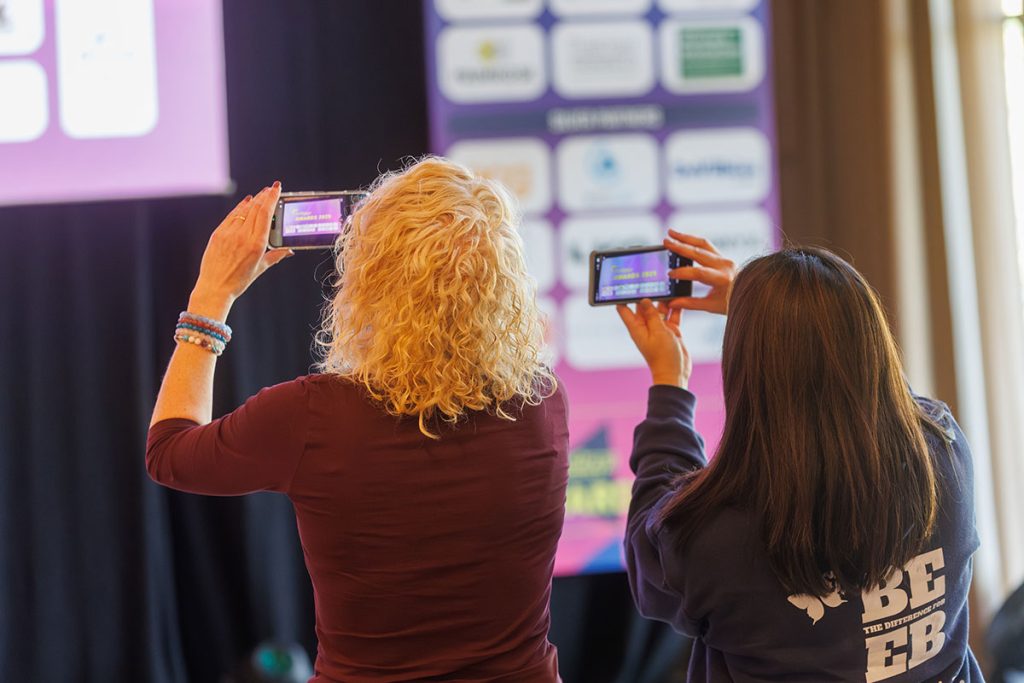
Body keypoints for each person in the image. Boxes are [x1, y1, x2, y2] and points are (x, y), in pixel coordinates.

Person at [146, 157, 569, 682]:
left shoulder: (310, 416)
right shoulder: (544, 404)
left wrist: (212, 295)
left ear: (369, 280)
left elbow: (169, 452)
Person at [617, 234, 982, 682]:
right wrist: (780, 311)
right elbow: (887, 397)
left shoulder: (717, 539)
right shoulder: (945, 454)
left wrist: (670, 386)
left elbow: (651, 559)